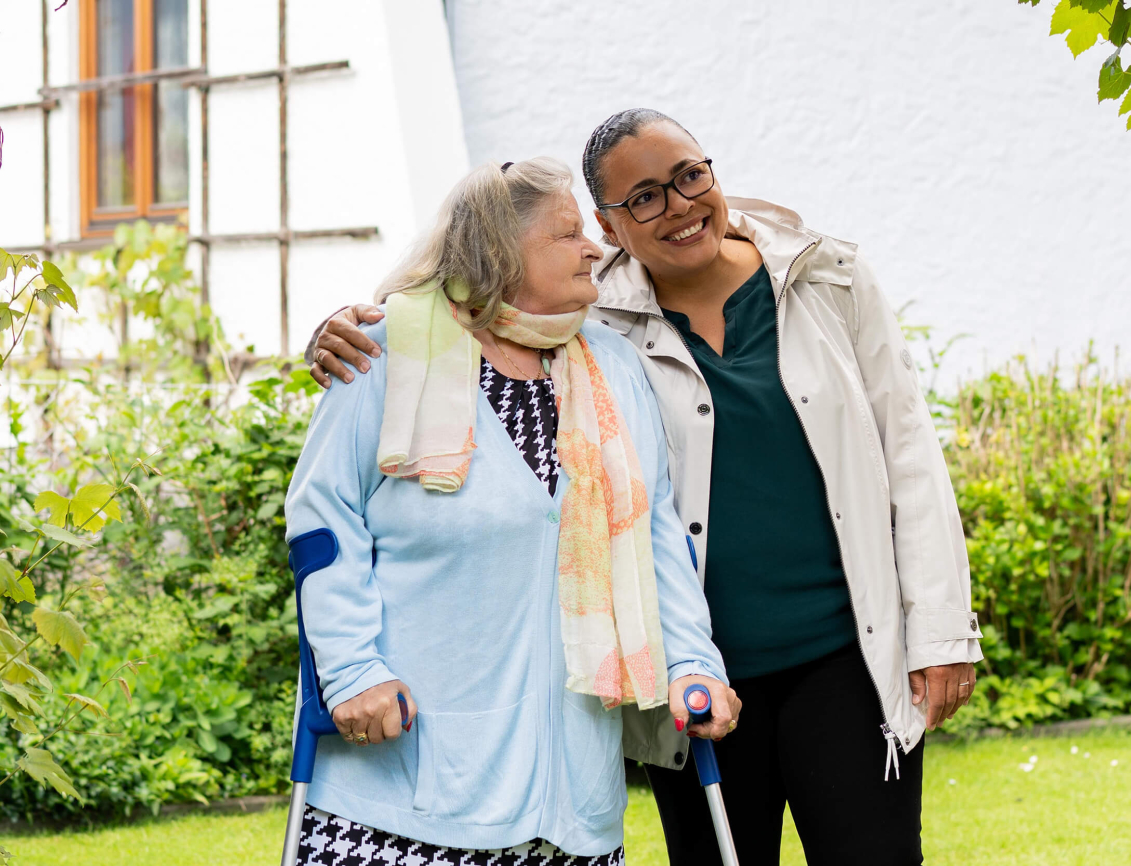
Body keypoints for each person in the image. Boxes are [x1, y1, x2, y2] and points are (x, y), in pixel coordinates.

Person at [306, 111, 983, 866]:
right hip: (696, 671)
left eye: (689, 176)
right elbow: (462, 310)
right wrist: (346, 329)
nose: (678, 206)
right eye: (643, 199)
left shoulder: (821, 280)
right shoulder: (600, 318)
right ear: (612, 223)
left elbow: (909, 457)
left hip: (840, 651)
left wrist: (941, 631)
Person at [284, 156, 738, 866]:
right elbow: (323, 522)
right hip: (407, 774)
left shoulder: (610, 365)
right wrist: (352, 673)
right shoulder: (386, 349)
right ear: (498, 249)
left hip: (569, 790)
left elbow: (652, 534)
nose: (593, 247)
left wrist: (691, 661)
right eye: (565, 235)